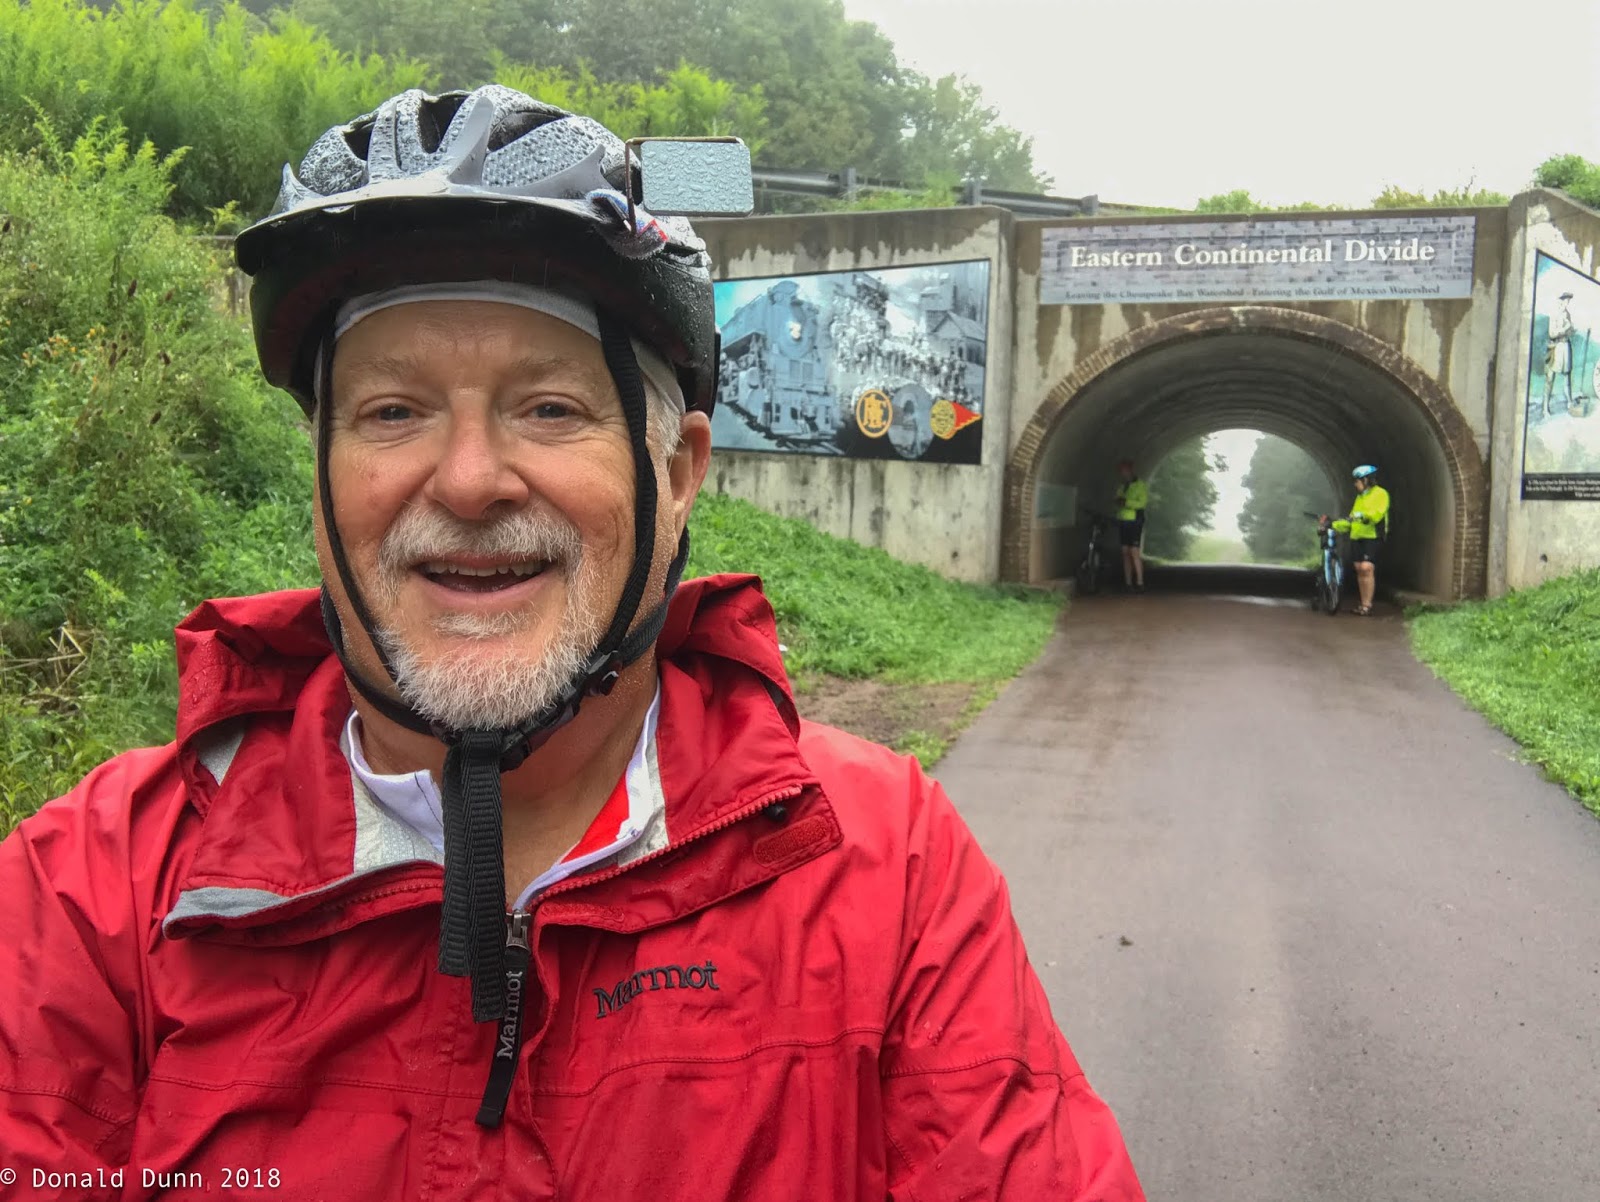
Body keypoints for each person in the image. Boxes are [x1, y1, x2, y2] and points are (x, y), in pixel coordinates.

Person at [0, 86, 1144, 1200]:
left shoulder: (881, 869)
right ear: (319, 476)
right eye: (392, 412)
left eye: (549, 408)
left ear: (678, 473)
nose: (467, 481)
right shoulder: (96, 890)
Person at [1327, 464, 1390, 616]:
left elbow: (1377, 514)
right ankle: (1363, 603)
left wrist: (1363, 515)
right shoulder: (1359, 498)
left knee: (1366, 567)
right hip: (1357, 537)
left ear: (1366, 480)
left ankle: (1367, 605)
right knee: (1359, 569)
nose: (1355, 484)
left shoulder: (1381, 494)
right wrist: (1333, 525)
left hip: (1373, 536)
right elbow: (1351, 519)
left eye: (1357, 481)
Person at [1115, 459, 1149, 592]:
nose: (1122, 473)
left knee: (1134, 551)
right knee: (1125, 552)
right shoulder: (1122, 486)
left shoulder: (1140, 485)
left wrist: (1127, 502)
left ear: (1130, 470)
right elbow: (1118, 498)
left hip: (1135, 521)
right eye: (1121, 471)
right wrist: (1118, 501)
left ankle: (1140, 582)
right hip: (1123, 520)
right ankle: (1128, 583)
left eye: (1124, 470)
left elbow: (1142, 503)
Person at [1543, 290, 1575, 418]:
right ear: (1561, 301)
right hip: (1556, 347)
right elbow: (1552, 333)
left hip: (1566, 346)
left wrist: (1571, 329)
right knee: (1550, 378)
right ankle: (1545, 408)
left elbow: (1569, 332)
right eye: (1566, 300)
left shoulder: (1567, 314)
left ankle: (1569, 402)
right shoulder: (1554, 314)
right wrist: (1564, 329)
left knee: (1567, 375)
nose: (1567, 302)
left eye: (1568, 300)